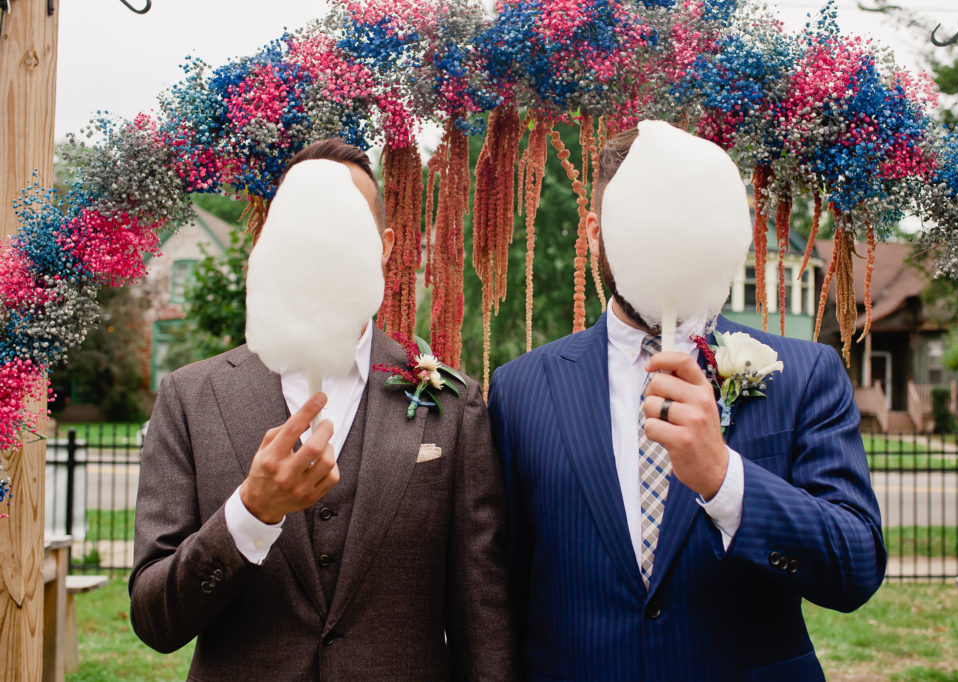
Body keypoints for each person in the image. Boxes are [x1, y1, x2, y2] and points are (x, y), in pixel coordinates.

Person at [487, 127, 886, 681]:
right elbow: (501, 584)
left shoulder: (806, 374)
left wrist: (724, 478)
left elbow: (856, 568)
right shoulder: (519, 388)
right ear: (594, 234)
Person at [130, 140, 518, 681]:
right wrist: (250, 515)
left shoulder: (452, 404)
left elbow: (483, 610)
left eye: (343, 225)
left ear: (383, 246)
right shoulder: (191, 398)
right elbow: (155, 620)